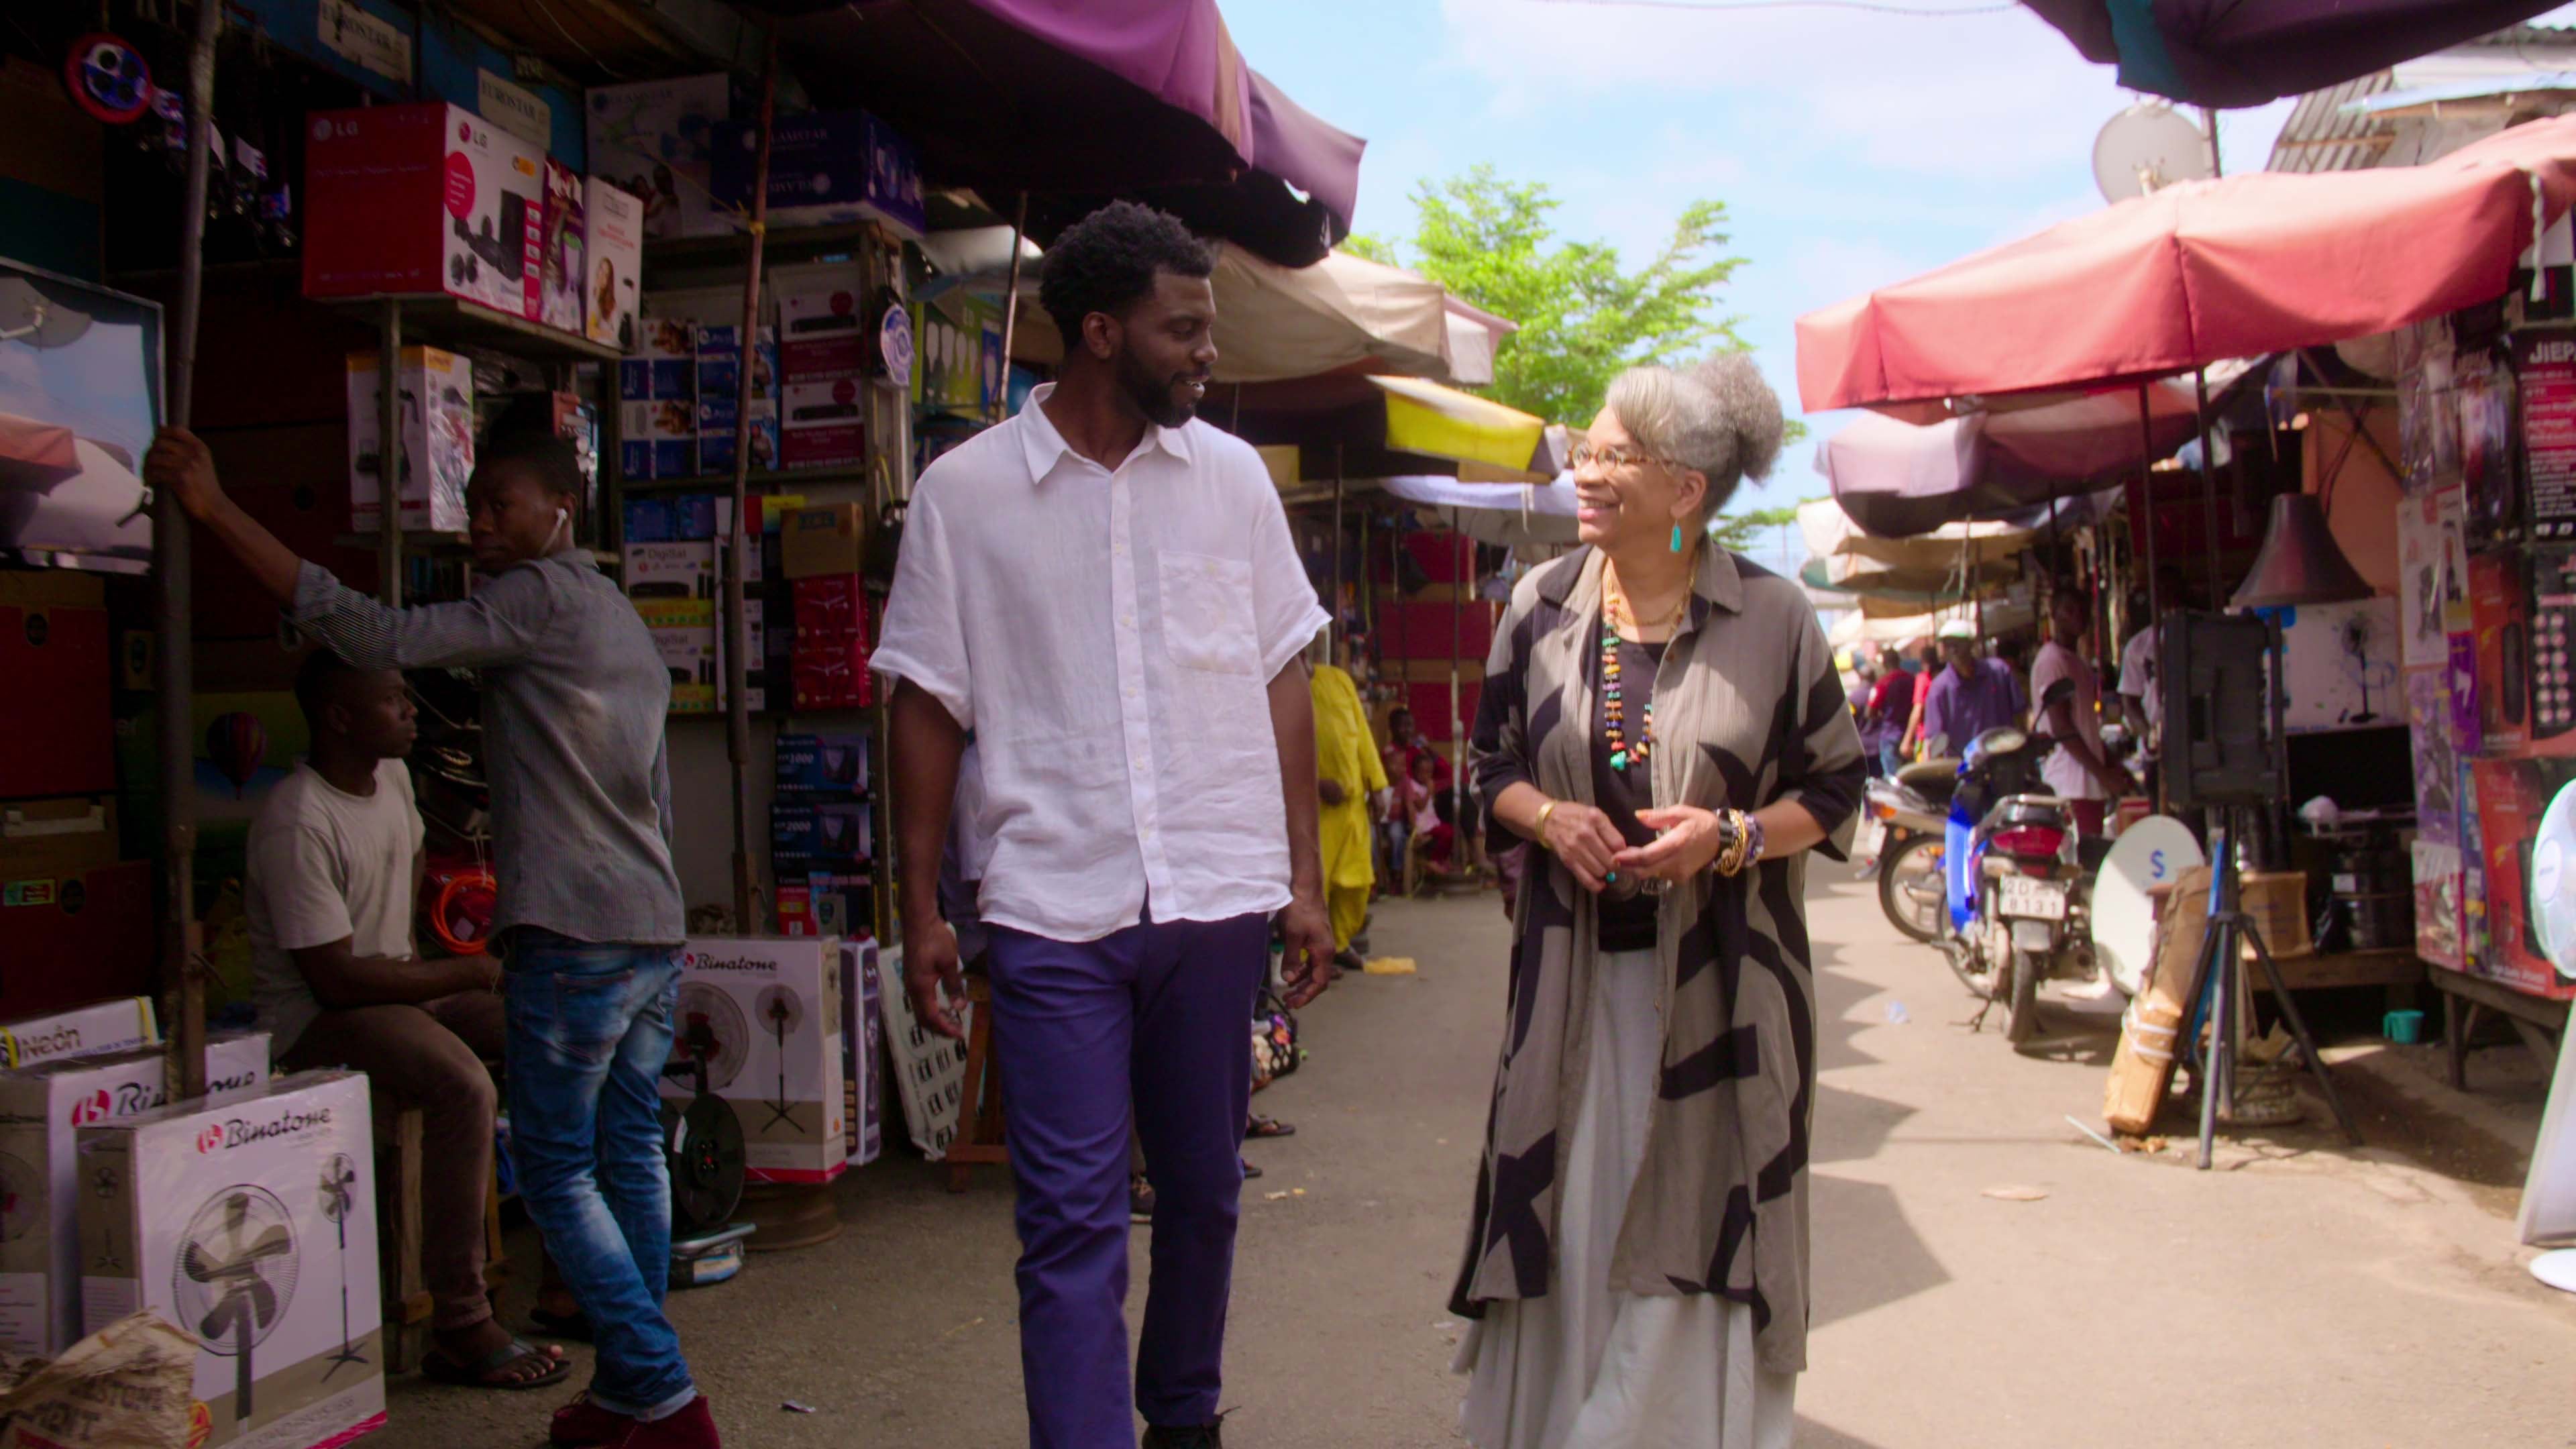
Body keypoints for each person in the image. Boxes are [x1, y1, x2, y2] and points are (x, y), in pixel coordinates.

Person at [144, 426, 717, 1449]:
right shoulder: (616, 616)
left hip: (578, 931)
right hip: (646, 928)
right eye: (475, 502)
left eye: (503, 503)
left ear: (558, 513)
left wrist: (216, 511)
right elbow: (654, 794)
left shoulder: (536, 599)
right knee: (627, 1147)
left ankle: (664, 1395)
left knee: (555, 1170)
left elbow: (373, 636)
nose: (481, 523)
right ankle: (633, 1388)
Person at [871, 201, 1336, 1449]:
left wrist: (1303, 875)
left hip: (1214, 894)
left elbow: (1281, 671)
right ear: (1096, 332)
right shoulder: (962, 496)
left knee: (1200, 1195)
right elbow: (926, 702)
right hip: (1047, 904)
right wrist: (919, 909)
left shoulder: (1231, 481)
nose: (1204, 353)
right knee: (1069, 1221)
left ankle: (1182, 1417)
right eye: (1181, 329)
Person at [1453, 354, 1865, 1448]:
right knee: (1574, 1224)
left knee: (1703, 1217)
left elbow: (1835, 788)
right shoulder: (1538, 608)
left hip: (1724, 1001)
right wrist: (1548, 817)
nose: (1583, 473)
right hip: (1571, 993)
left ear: (1684, 489)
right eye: (1584, 452)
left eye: (1610, 456)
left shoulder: (1776, 619)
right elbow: (1484, 766)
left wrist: (1729, 838)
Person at [247, 649, 561, 1391]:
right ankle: (459, 1320)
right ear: (340, 717)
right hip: (318, 1018)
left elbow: (407, 900)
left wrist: (447, 976)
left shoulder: (391, 780)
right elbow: (334, 978)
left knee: (549, 1036)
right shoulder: (298, 820)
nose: (413, 712)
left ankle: (565, 1277)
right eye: (395, 702)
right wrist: (463, 971)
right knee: (465, 1088)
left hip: (396, 986)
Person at [2030, 589, 2137, 836]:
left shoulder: (2076, 662)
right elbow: (2062, 727)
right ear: (2054, 615)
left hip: (2088, 784)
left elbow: (2085, 726)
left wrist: (2111, 764)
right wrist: (2104, 774)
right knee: (2082, 863)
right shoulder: (2052, 661)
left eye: (2082, 610)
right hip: (2070, 784)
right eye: (2069, 610)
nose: (2078, 616)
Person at [1311, 632, 1389, 972]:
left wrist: (1378, 785)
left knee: (1356, 884)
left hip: (1353, 803)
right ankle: (1309, 958)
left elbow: (1363, 736)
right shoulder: (1280, 686)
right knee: (1316, 885)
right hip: (1313, 809)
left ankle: (1339, 943)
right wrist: (1313, 784)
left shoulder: (1340, 681)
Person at [1917, 620, 2027, 758]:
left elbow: (2022, 715)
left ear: (1971, 644)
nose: (1953, 650)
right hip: (1965, 769)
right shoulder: (1939, 689)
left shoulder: (1998, 671)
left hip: (2005, 760)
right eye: (1948, 645)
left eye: (1958, 643)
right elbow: (1933, 742)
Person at [1864, 644, 1919, 777]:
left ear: (1884, 664)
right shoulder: (1912, 679)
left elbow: (1869, 713)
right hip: (1910, 736)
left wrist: (1882, 715)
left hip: (1890, 736)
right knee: (1911, 777)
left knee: (1892, 779)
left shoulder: (1883, 683)